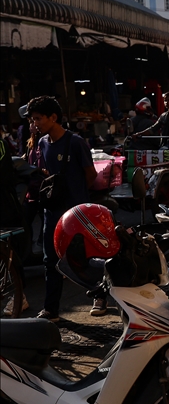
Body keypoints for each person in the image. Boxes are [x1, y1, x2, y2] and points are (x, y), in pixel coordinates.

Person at [27, 95, 98, 320]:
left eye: (38, 118)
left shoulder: (76, 142)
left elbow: (91, 175)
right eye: (33, 119)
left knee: (84, 258)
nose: (35, 123)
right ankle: (51, 309)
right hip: (52, 212)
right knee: (51, 262)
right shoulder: (41, 143)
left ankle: (100, 296)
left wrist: (77, 196)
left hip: (76, 214)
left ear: (53, 117)